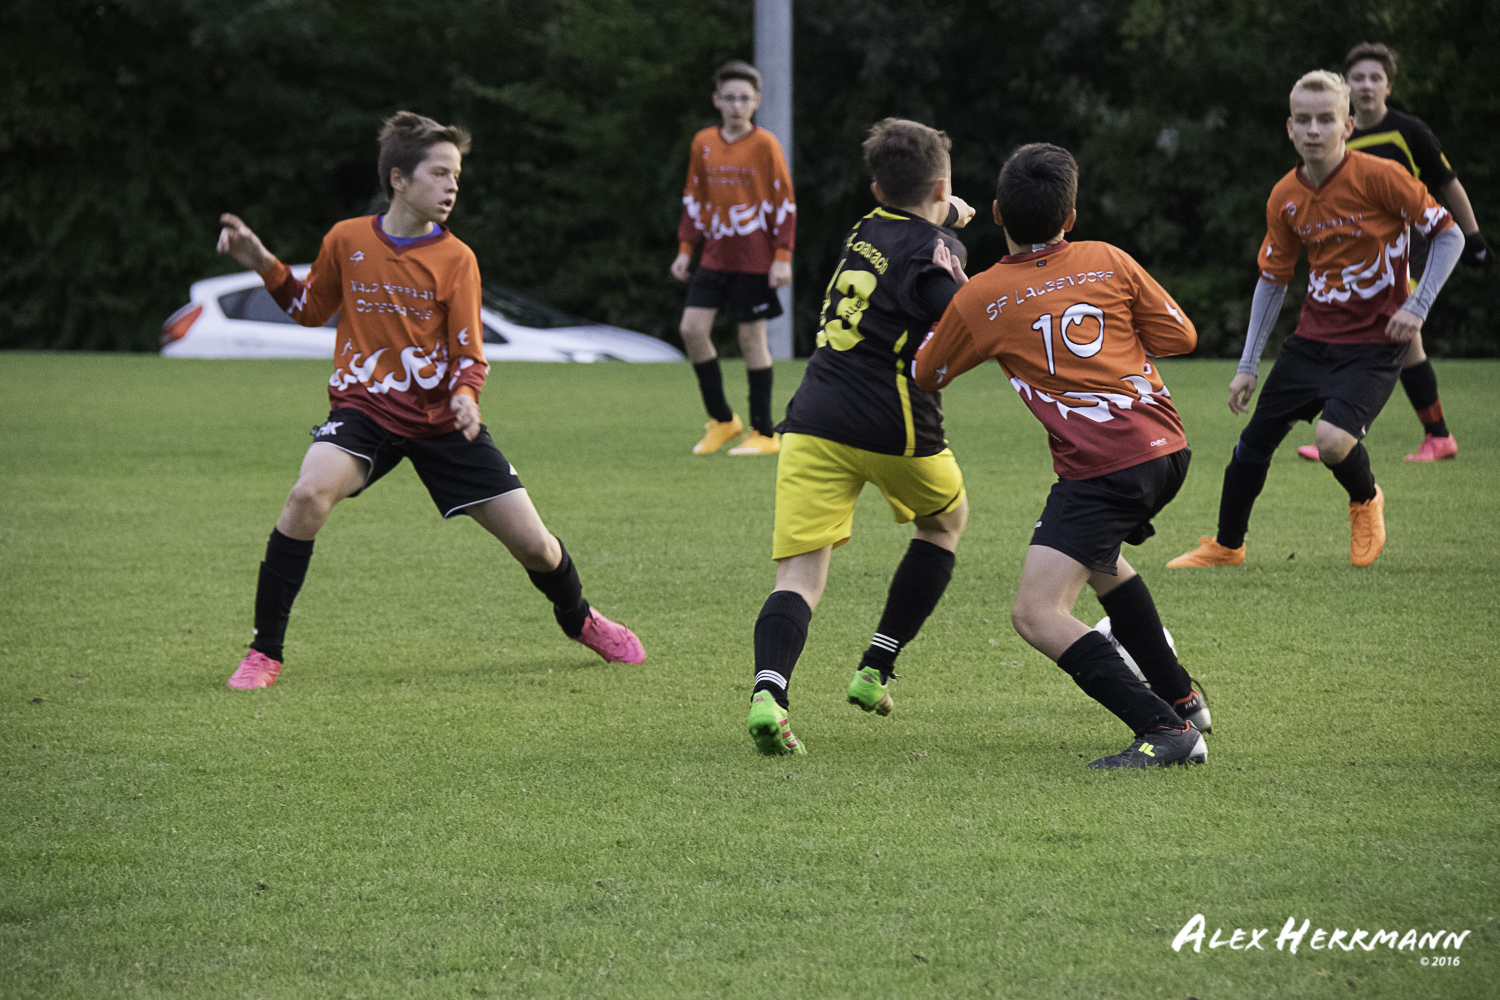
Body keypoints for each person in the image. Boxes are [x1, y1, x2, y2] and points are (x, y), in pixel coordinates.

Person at [216, 111, 643, 690]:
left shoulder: (457, 259)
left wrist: (466, 395)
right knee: (306, 495)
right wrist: (263, 262)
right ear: (399, 179)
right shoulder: (347, 239)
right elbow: (311, 310)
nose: (451, 187)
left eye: (456, 176)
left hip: (443, 422)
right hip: (365, 410)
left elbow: (469, 353)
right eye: (439, 174)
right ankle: (264, 652)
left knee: (537, 548)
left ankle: (580, 618)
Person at [913, 143, 1210, 770]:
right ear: (1070, 217)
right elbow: (1180, 336)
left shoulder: (983, 297)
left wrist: (966, 304)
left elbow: (928, 373)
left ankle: (1164, 728)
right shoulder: (1108, 258)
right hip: (1167, 448)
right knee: (1101, 563)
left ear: (997, 211)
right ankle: (1181, 697)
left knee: (1036, 613)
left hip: (1105, 468)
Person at [745, 118, 976, 754]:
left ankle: (769, 694)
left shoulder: (863, 228)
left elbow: (914, 228)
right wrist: (959, 268)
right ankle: (875, 667)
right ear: (939, 185)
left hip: (813, 419)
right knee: (945, 524)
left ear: (877, 188)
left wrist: (948, 215)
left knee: (798, 577)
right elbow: (958, 314)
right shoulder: (938, 252)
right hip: (894, 424)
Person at [1169, 71, 1462, 571]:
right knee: (1252, 445)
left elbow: (1449, 235)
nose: (1313, 129)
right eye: (1302, 120)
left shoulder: (1382, 176)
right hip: (1312, 339)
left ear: (1347, 126)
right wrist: (1247, 365)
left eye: (1325, 119)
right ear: (1289, 128)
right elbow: (1272, 280)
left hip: (1376, 342)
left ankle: (1366, 498)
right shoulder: (1285, 195)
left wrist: (1418, 305)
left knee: (1332, 442)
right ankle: (1227, 546)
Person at [1291, 42, 1491, 464]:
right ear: (1347, 88)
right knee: (1397, 336)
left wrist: (1473, 238)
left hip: (1412, 248)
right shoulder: (1340, 135)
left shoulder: (1409, 131)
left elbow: (1448, 182)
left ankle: (1347, 429)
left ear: (1389, 86)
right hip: (1364, 255)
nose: (1366, 85)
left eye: (1375, 78)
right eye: (1358, 78)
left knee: (1389, 327)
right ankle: (1433, 435)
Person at [671, 60, 795, 457]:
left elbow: (784, 202)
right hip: (714, 256)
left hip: (754, 259)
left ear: (756, 101)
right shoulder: (703, 142)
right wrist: (685, 249)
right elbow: (694, 198)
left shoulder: (765, 144)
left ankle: (764, 432)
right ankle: (723, 421)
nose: (737, 105)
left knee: (750, 340)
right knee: (692, 330)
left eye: (744, 98)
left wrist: (782, 256)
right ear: (716, 100)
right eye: (729, 98)